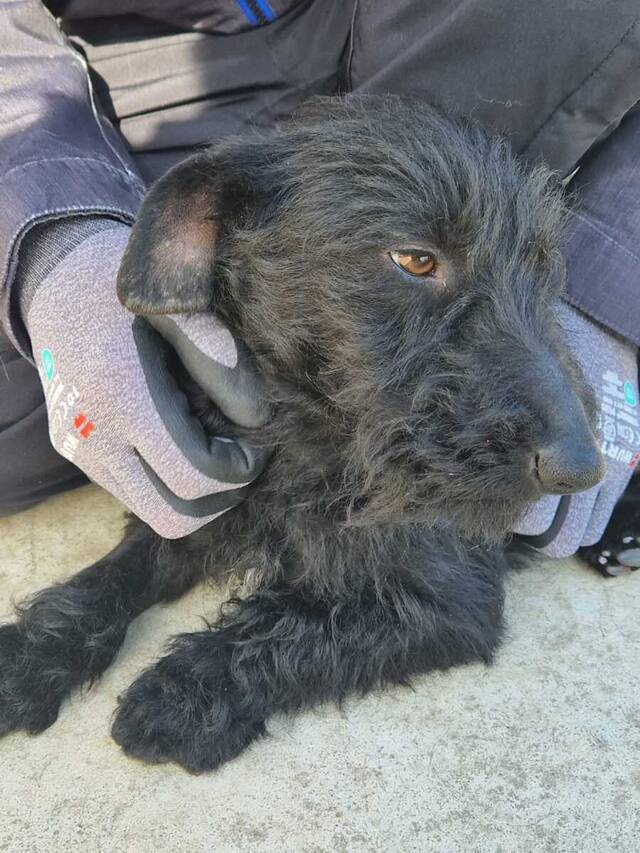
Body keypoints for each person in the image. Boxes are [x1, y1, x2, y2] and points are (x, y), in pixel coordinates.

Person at [1, 1, 639, 562]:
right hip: (142, 66)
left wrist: (601, 282)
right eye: (418, 262)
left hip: (463, 53)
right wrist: (56, 237)